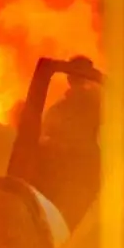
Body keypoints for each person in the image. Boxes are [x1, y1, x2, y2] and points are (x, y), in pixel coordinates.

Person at [41, 55, 101, 228]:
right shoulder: (102, 106)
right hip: (77, 177)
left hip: (77, 177)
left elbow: (46, 139)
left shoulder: (60, 109)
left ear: (69, 79)